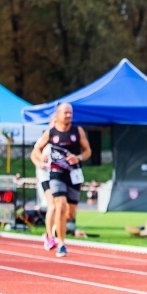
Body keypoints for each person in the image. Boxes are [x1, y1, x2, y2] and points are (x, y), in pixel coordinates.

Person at [32, 103, 91, 258]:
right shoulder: (51, 133)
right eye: (65, 113)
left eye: (70, 113)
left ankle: (57, 227)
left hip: (74, 175)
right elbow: (36, 150)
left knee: (69, 213)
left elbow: (88, 151)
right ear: (58, 114)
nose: (68, 115)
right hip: (56, 174)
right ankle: (61, 244)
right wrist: (41, 159)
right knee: (59, 205)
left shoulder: (77, 131)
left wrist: (78, 158)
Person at [30, 116, 58, 251]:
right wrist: (40, 162)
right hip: (45, 176)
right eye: (54, 122)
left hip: (59, 176)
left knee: (62, 208)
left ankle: (53, 231)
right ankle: (49, 236)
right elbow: (33, 154)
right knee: (52, 206)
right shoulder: (46, 137)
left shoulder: (65, 139)